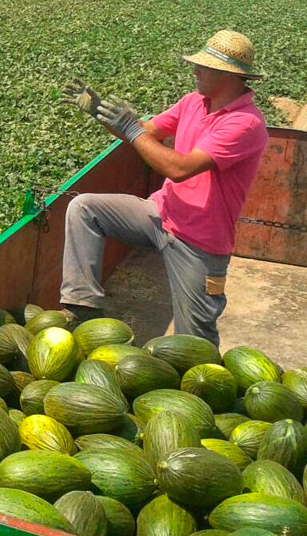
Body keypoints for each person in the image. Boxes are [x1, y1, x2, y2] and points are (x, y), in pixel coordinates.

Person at [59, 30, 269, 345]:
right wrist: (101, 112)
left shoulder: (244, 124)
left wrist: (131, 127)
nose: (195, 71)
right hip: (161, 213)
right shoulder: (193, 103)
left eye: (204, 66)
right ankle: (82, 307)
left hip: (199, 243)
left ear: (229, 75)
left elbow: (178, 168)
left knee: (194, 344)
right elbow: (145, 132)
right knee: (84, 208)